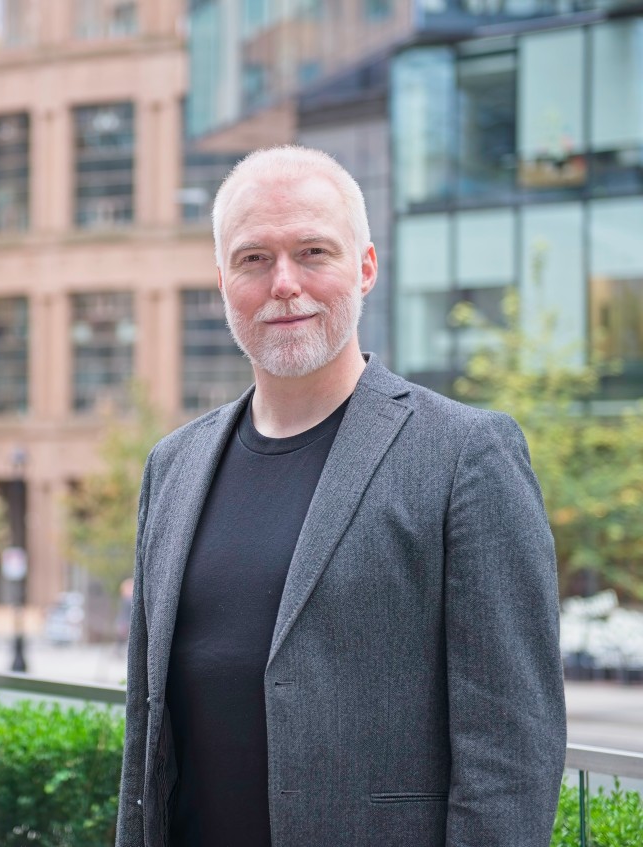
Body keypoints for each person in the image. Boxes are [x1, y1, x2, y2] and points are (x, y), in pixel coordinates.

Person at [115, 147, 566, 847]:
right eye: (253, 259)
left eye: (313, 251)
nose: (284, 284)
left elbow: (511, 755)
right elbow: (146, 746)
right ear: (222, 282)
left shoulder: (465, 456)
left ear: (366, 266)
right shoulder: (171, 467)